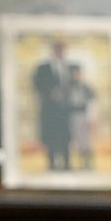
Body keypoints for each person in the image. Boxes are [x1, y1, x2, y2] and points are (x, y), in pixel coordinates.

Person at [34, 40, 75, 169]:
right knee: (51, 136)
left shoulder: (69, 68)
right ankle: (51, 164)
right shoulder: (43, 68)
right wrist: (50, 93)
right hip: (49, 109)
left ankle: (66, 164)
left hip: (65, 109)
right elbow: (37, 84)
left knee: (65, 137)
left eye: (62, 50)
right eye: (57, 50)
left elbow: (75, 86)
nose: (60, 53)